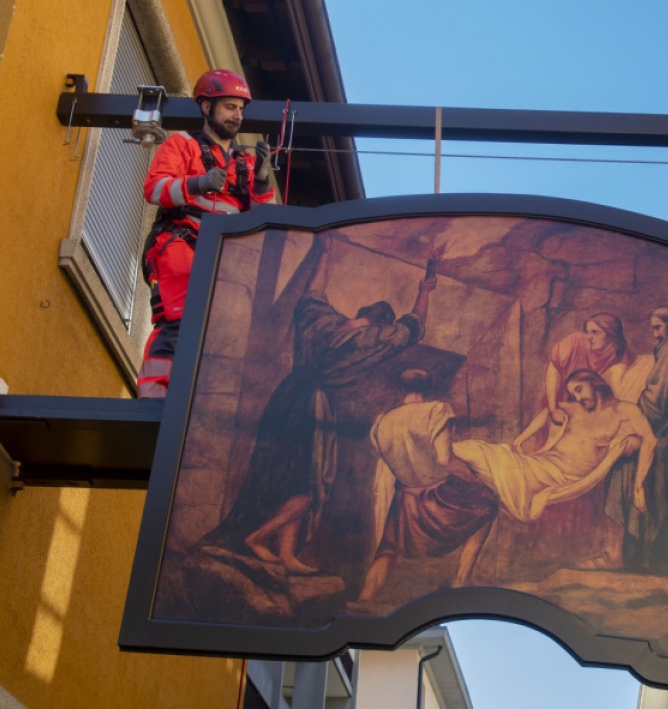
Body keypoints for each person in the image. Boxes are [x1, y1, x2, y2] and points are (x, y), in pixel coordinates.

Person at [199, 235, 438, 573]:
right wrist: (424, 292)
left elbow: (313, 292)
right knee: (310, 484)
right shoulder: (372, 338)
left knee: (288, 477)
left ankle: (286, 554)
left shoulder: (321, 323)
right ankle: (257, 537)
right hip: (313, 406)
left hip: (284, 399)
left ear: (361, 312)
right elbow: (412, 328)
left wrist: (324, 253)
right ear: (384, 322)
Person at [137, 69, 277, 398]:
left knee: (221, 336)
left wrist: (261, 181)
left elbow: (264, 221)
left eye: (240, 109)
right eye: (229, 107)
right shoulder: (181, 145)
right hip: (178, 246)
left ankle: (196, 404)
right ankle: (152, 399)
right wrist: (198, 183)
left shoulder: (245, 162)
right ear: (206, 107)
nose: (237, 115)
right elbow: (154, 189)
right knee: (176, 323)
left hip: (223, 259)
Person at [594, 305, 668, 573]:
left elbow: (659, 396)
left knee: (652, 490)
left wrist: (636, 428)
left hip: (659, 429)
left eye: (658, 327)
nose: (655, 334)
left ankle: (650, 559)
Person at [359, 369, 500, 601]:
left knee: (388, 549)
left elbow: (387, 461)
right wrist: (475, 478)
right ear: (429, 388)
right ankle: (462, 579)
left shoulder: (381, 421)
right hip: (440, 496)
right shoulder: (437, 410)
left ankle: (366, 594)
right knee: (488, 503)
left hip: (405, 499)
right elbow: (444, 459)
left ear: (401, 388)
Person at [453, 369, 656, 524]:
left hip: (564, 477)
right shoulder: (575, 409)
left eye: (579, 389)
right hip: (543, 464)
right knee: (478, 452)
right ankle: (448, 456)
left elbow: (650, 440)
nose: (578, 398)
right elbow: (549, 412)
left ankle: (448, 454)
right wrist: (519, 441)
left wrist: (639, 485)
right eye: (573, 394)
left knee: (482, 458)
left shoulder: (624, 410)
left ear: (595, 383)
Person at [543, 314, 636, 425]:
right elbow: (553, 369)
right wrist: (553, 410)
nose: (588, 337)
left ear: (612, 334)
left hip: (591, 410)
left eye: (595, 332)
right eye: (587, 332)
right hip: (557, 401)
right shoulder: (575, 341)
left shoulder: (623, 355)